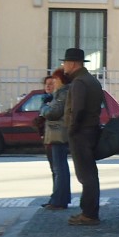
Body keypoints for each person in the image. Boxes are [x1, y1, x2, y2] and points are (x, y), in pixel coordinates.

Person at [62, 47, 104, 226]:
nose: (63, 66)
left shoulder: (79, 82)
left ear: (72, 64)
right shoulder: (92, 80)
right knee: (90, 173)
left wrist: (71, 129)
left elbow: (77, 109)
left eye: (65, 63)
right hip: (91, 130)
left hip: (81, 133)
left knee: (85, 175)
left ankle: (89, 214)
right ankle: (89, 211)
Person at [40, 68, 71, 209]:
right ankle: (56, 198)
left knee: (60, 169)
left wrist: (44, 108)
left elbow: (53, 112)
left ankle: (59, 200)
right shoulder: (59, 94)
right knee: (57, 169)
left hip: (58, 135)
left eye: (55, 80)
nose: (53, 82)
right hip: (54, 135)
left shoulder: (62, 94)